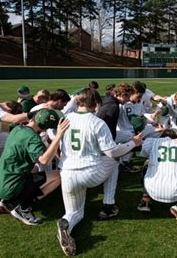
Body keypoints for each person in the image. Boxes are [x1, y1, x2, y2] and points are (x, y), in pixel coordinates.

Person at [56, 88, 142, 256]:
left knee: (75, 213)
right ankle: (109, 204)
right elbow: (113, 152)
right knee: (114, 161)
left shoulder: (66, 118)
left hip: (67, 173)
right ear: (95, 103)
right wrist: (133, 143)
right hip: (90, 172)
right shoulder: (97, 122)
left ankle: (65, 223)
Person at [0, 109, 69, 225]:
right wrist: (58, 136)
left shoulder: (18, 129)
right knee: (58, 176)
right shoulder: (33, 138)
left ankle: (9, 202)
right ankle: (23, 207)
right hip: (9, 186)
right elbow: (44, 160)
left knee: (34, 168)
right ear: (45, 128)